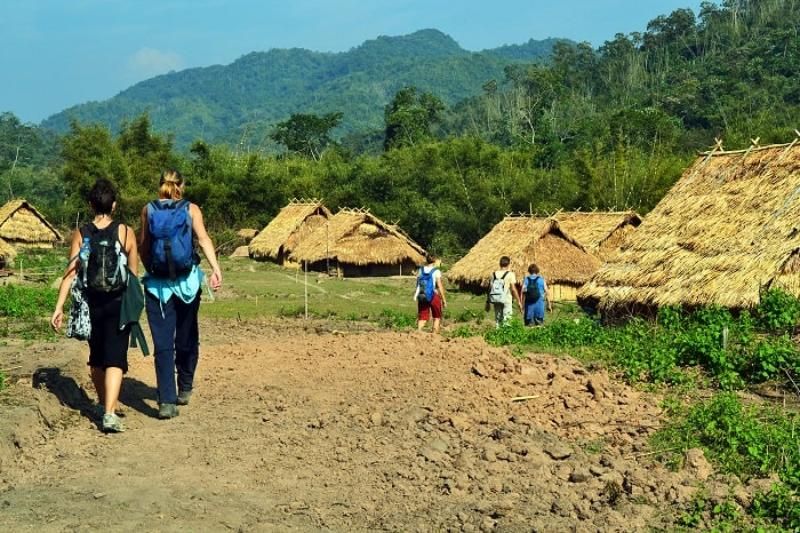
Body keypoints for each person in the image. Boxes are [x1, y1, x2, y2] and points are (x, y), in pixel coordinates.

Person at [51, 179, 138, 433]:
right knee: (115, 358)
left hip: (91, 304)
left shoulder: (81, 233)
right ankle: (109, 413)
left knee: (97, 357)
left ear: (90, 204)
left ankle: (102, 405)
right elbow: (133, 273)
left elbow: (71, 273)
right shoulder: (125, 231)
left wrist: (59, 307)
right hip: (118, 303)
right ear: (114, 205)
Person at [139, 170, 222, 420]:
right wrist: (216, 268)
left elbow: (143, 245)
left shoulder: (148, 209)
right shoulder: (191, 209)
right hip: (187, 284)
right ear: (181, 187)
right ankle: (184, 386)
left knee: (162, 344)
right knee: (187, 335)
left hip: (157, 287)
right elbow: (204, 239)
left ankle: (166, 401)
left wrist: (150, 269)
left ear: (160, 186)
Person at [486, 256, 522, 327]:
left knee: (498, 319)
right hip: (506, 299)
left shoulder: (493, 274)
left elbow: (490, 289)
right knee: (507, 319)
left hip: (496, 298)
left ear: (500, 264)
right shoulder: (510, 274)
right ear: (509, 264)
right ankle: (505, 336)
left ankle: (497, 335)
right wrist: (518, 301)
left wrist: (488, 302)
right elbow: (513, 289)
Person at [414, 255, 446, 333]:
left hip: (422, 295)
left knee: (422, 317)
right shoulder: (436, 271)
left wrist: (417, 294)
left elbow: (418, 284)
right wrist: (444, 299)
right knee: (437, 317)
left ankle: (418, 334)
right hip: (433, 295)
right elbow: (439, 285)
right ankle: (434, 336)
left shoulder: (420, 270)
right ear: (434, 261)